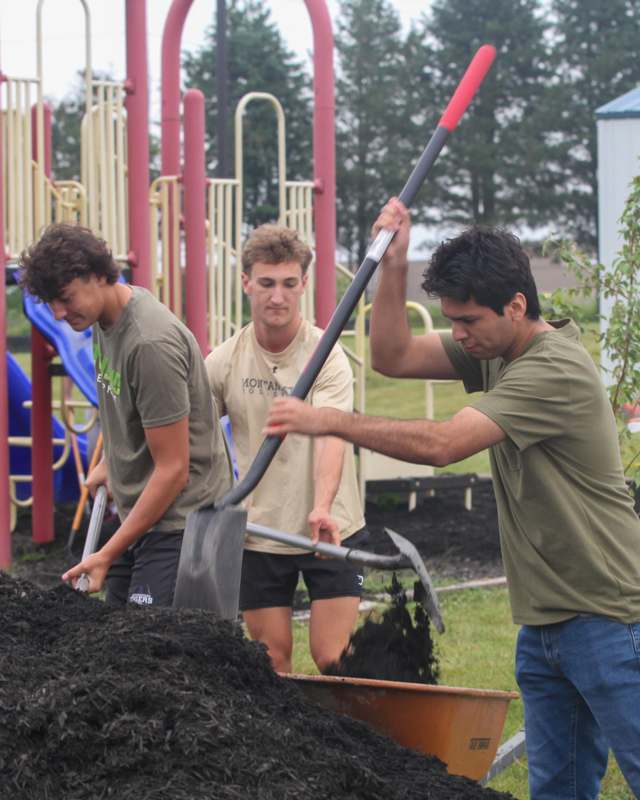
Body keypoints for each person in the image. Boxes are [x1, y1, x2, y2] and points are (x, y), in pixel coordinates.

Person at [264, 198, 640, 798]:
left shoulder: (553, 371)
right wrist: (394, 266)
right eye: (453, 320)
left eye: (467, 321)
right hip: (542, 621)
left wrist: (328, 420)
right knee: (558, 788)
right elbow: (394, 355)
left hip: (609, 617)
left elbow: (444, 445)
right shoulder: (499, 350)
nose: (458, 334)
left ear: (516, 306)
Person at [19, 223, 233, 605]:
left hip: (183, 522)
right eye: (51, 302)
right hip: (144, 512)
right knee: (115, 644)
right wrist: (110, 464)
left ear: (99, 275)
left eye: (65, 298)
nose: (58, 312)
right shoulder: (104, 319)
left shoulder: (149, 344)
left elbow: (173, 470)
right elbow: (125, 412)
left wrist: (105, 553)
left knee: (154, 655)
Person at [205, 224, 366, 674]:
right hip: (260, 533)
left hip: (329, 528)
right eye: (267, 283)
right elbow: (185, 427)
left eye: (289, 284)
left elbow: (333, 434)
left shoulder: (327, 356)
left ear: (303, 285)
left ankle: (358, 740)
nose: (278, 296)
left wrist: (321, 507)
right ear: (246, 283)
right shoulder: (224, 360)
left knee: (333, 658)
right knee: (271, 662)